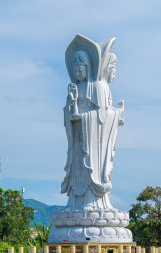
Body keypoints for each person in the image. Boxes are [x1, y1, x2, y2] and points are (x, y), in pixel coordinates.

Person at [62, 47, 122, 211]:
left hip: (94, 142)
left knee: (90, 167)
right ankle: (75, 203)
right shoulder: (75, 87)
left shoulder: (98, 87)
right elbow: (68, 113)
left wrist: (87, 118)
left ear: (88, 68)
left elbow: (103, 115)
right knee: (78, 168)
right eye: (73, 70)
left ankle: (94, 202)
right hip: (78, 138)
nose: (76, 72)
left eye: (79, 68)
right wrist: (71, 102)